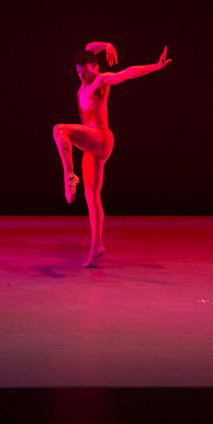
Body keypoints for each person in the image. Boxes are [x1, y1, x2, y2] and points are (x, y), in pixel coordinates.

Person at [53, 42, 171, 267]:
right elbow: (89, 47)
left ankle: (69, 175)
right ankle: (96, 246)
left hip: (101, 137)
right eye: (79, 73)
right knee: (91, 198)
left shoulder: (101, 79)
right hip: (92, 146)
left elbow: (128, 73)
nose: (82, 76)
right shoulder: (87, 74)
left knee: (59, 130)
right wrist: (107, 44)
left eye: (86, 71)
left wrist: (156, 66)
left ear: (95, 68)